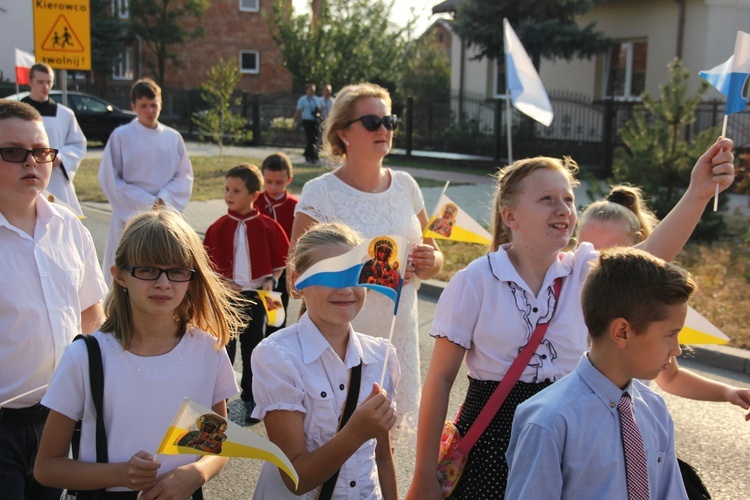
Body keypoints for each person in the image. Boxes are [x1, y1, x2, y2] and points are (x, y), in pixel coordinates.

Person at [406, 138, 735, 499]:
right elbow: (439, 380)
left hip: (575, 429)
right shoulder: (474, 281)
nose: (563, 209)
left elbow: (652, 255)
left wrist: (698, 193)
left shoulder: (584, 269)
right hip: (492, 441)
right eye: (547, 199)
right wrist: (423, 472)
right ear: (510, 215)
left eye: (568, 199)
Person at [34, 209, 243, 498]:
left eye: (177, 271)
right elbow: (47, 467)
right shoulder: (86, 355)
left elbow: (218, 445)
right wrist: (121, 473)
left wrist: (198, 473)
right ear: (119, 275)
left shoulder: (208, 350)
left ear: (192, 277)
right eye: (147, 269)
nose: (163, 283)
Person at [291, 82, 444, 449]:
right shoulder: (320, 192)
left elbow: (434, 254)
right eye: (373, 121)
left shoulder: (406, 185)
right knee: (331, 443)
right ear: (343, 132)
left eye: (389, 120)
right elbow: (295, 274)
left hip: (397, 333)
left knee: (382, 447)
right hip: (339, 336)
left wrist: (429, 260)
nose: (385, 130)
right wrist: (371, 269)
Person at [505, 248, 693, 499]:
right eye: (670, 334)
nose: (677, 349)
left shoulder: (655, 409)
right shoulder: (549, 421)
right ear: (622, 332)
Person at [0, 100, 107, 500]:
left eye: (42, 152)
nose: (32, 162)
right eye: (13, 152)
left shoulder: (69, 229)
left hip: (59, 420)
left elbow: (91, 315)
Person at [251, 222, 399, 499]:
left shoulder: (381, 356)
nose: (345, 289)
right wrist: (355, 432)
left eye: (354, 274)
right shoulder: (277, 356)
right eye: (330, 275)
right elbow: (296, 479)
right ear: (297, 282)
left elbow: (382, 458)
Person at [579, 185, 750, 416]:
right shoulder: (562, 295)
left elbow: (672, 378)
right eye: (587, 250)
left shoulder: (651, 307)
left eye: (608, 252)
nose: (595, 262)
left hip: (633, 424)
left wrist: (728, 392)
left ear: (641, 249)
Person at [203, 164, 289, 424]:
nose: (229, 195)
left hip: (255, 298)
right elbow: (207, 263)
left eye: (236, 190)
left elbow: (281, 257)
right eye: (227, 189)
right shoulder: (218, 227)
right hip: (227, 299)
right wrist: (221, 284)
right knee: (223, 349)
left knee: (254, 348)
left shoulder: (267, 226)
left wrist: (270, 279)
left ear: (254, 194)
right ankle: (221, 400)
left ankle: (252, 396)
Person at [98, 78, 194, 286]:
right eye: (144, 106)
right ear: (133, 106)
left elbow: (184, 175)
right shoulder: (121, 136)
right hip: (128, 213)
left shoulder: (173, 137)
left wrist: (163, 200)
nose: (150, 110)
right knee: (127, 268)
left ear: (161, 103)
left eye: (154, 105)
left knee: (161, 266)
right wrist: (145, 202)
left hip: (164, 213)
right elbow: (110, 178)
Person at [21, 62, 86, 217]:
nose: (46, 86)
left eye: (49, 82)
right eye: (41, 82)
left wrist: (61, 157)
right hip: (23, 172)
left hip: (55, 177)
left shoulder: (65, 114)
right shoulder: (16, 112)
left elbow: (78, 143)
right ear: (30, 82)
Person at [258, 152, 298, 334]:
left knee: (275, 320)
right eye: (268, 181)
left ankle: (272, 357)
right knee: (253, 323)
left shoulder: (295, 206)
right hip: (254, 272)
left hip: (280, 274)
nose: (273, 187)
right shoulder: (252, 201)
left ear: (289, 180)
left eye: (279, 182)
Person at [293, 83, 322, 163]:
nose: (312, 91)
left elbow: (318, 110)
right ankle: (311, 155)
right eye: (310, 89)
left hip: (314, 121)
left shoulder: (316, 99)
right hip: (306, 121)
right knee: (310, 138)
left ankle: (308, 153)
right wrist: (294, 121)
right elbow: (298, 111)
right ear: (306, 90)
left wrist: (320, 118)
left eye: (313, 90)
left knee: (314, 138)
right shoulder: (303, 100)